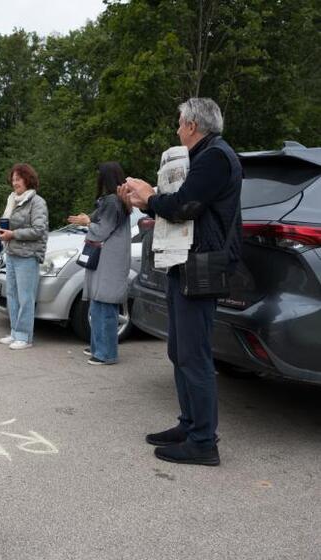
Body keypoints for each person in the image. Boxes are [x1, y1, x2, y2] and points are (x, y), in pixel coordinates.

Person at [118, 98, 241, 467]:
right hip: (184, 262)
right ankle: (189, 425)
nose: (176, 129)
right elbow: (178, 206)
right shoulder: (202, 156)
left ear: (191, 125)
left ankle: (203, 441)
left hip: (200, 264)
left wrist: (150, 196)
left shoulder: (215, 156)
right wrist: (145, 201)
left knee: (194, 354)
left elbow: (185, 205)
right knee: (179, 350)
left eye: (179, 123)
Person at [68, 162, 131, 366]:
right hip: (108, 258)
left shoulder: (112, 201)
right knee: (98, 304)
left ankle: (107, 353)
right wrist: (87, 219)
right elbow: (98, 221)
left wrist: (87, 223)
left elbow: (102, 230)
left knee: (105, 305)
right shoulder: (115, 200)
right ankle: (98, 347)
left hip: (109, 259)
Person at [0, 163, 48, 350]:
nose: (14, 183)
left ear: (28, 179)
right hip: (11, 253)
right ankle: (14, 332)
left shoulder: (37, 202)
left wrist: (13, 234)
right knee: (12, 295)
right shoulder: (13, 200)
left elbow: (39, 230)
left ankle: (25, 337)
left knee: (26, 297)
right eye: (13, 179)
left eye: (18, 179)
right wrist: (3, 232)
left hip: (28, 255)